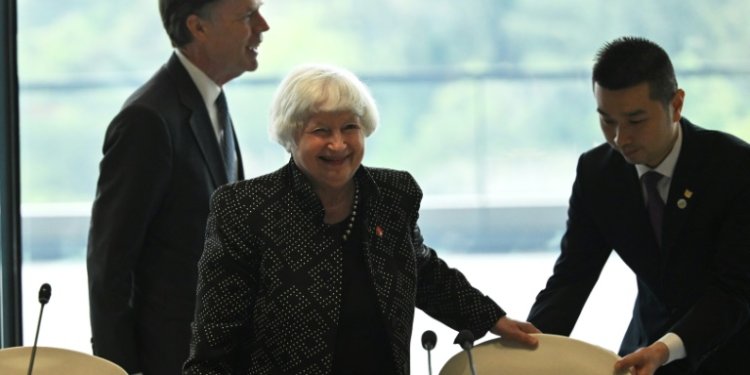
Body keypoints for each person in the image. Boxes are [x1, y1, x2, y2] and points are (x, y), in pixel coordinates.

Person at [183, 63, 540, 374]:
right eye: (321, 130)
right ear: (291, 136)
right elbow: (216, 340)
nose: (338, 145)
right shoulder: (246, 209)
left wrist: (493, 319)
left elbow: (423, 270)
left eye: (349, 128)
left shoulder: (392, 196)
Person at [527, 36, 750, 375]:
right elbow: (572, 277)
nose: (620, 138)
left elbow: (734, 288)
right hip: (645, 349)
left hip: (730, 348)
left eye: (635, 121)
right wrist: (529, 351)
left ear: (676, 105)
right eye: (607, 120)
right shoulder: (598, 174)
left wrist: (666, 348)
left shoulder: (733, 166)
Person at [86, 1, 269, 374]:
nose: (263, 26)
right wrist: (120, 370)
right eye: (248, 16)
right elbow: (109, 265)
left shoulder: (213, 101)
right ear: (197, 28)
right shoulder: (147, 119)